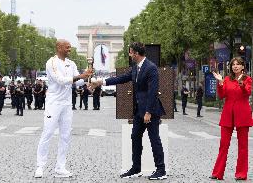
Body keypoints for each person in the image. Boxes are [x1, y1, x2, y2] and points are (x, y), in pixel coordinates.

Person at [91, 42, 166, 180]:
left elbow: (153, 91)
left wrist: (148, 111)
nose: (130, 55)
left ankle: (161, 170)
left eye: (130, 52)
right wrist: (101, 82)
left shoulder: (151, 68)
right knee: (135, 137)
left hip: (150, 110)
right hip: (139, 111)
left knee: (154, 139)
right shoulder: (136, 67)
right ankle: (136, 168)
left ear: (136, 53)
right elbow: (121, 78)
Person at [34, 39, 92, 178]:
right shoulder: (51, 62)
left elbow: (77, 82)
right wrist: (80, 76)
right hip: (53, 103)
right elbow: (60, 80)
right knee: (47, 133)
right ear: (59, 47)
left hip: (66, 104)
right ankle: (40, 166)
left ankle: (60, 167)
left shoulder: (71, 63)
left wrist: (87, 77)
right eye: (67, 47)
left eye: (70, 47)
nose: (69, 50)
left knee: (65, 136)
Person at [210, 57, 253, 181]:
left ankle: (241, 173)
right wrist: (220, 82)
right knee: (223, 144)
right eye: (233, 64)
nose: (235, 66)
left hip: (242, 114)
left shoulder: (247, 79)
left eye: (238, 64)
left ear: (243, 67)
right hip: (228, 114)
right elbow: (222, 95)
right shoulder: (227, 79)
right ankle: (217, 172)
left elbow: (247, 92)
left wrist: (241, 83)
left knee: (243, 146)